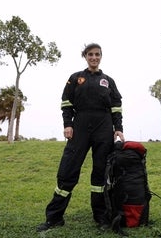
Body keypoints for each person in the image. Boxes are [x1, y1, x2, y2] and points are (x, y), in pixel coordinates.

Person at [37, 43, 125, 232]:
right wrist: (67, 124)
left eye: (97, 54)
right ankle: (54, 218)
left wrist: (118, 128)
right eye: (90, 54)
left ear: (101, 57)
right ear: (85, 56)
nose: (94, 57)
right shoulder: (76, 78)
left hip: (104, 127)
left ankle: (101, 217)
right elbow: (66, 103)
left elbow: (116, 106)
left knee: (101, 173)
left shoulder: (108, 81)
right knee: (68, 170)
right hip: (80, 126)